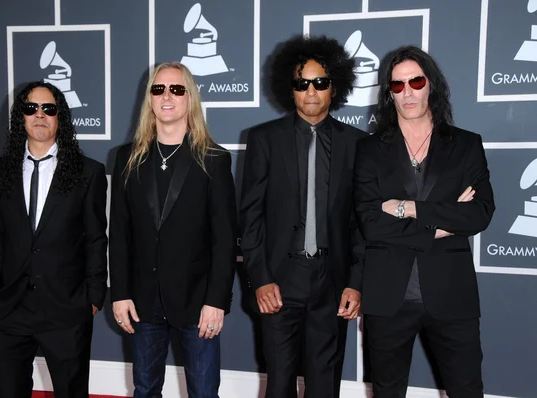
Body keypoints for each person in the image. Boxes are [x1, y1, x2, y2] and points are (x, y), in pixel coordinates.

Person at [354, 45, 495, 397]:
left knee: (466, 389)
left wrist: (408, 207)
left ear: (431, 84)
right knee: (387, 391)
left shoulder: (465, 145)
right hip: (388, 297)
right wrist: (444, 223)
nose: (408, 92)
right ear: (389, 94)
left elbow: (479, 213)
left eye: (415, 81)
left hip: (452, 294)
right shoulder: (369, 150)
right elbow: (371, 223)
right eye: (397, 85)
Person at [240, 35, 366, 398]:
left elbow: (361, 222)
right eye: (301, 83)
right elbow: (250, 216)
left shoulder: (357, 144)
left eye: (320, 82)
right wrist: (261, 279)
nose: (311, 91)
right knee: (279, 383)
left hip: (333, 282)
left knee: (325, 385)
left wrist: (355, 282)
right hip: (280, 281)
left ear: (334, 87)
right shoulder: (264, 139)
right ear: (289, 88)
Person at [109, 62, 238, 398]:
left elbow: (224, 239)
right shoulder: (127, 158)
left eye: (176, 89)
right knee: (145, 389)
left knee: (204, 392)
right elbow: (120, 233)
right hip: (143, 301)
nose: (167, 96)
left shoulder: (213, 158)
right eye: (158, 89)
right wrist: (120, 293)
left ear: (190, 98)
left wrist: (216, 301)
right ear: (149, 99)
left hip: (198, 303)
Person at [0, 81, 108, 398]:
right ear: (20, 117)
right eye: (30, 108)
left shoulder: (87, 172)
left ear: (60, 117)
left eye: (48, 108)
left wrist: (93, 298)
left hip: (66, 307)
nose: (39, 115)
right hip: (10, 306)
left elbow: (96, 238)